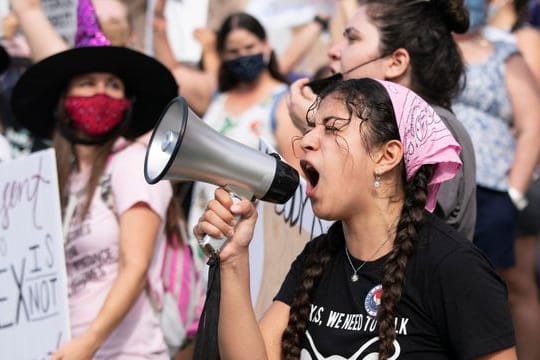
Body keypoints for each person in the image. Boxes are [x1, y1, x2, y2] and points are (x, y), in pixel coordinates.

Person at [194, 78, 517, 359]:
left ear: (386, 156)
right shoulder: (318, 258)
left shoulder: (453, 266)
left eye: (332, 128)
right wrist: (234, 260)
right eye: (310, 128)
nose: (306, 141)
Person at [9, 24, 179, 360]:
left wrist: (89, 342)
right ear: (64, 101)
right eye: (88, 83)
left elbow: (136, 265)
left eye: (113, 85)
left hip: (124, 352)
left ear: (127, 102)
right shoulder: (49, 179)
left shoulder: (133, 164)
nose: (101, 94)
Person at [278, 0, 477, 241]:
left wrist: (317, 125)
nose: (334, 50)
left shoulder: (437, 128)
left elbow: (394, 233)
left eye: (352, 39)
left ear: (395, 62)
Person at [455, 1, 540, 359]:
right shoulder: (423, 45)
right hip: (441, 187)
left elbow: (533, 124)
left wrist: (514, 193)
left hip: (494, 190)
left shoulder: (507, 51)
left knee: (508, 285)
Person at [186, 12, 290, 241]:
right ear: (223, 55)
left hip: (252, 237)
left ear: (266, 46)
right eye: (233, 52)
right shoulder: (219, 98)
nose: (242, 56)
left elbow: (295, 181)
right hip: (205, 227)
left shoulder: (283, 101)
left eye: (249, 47)